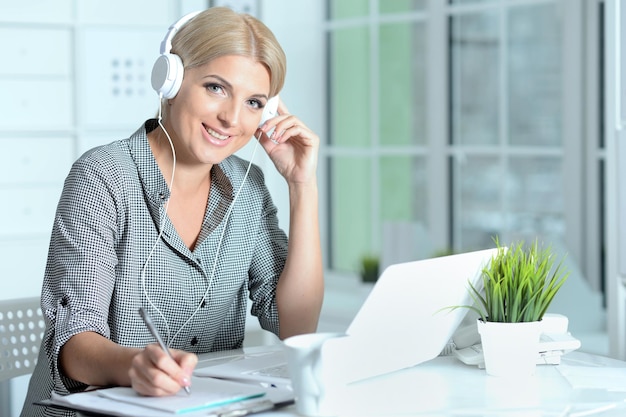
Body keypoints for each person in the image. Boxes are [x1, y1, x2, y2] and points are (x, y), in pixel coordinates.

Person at [21, 7, 323, 417]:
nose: (231, 118)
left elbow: (296, 329)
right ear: (171, 80)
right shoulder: (102, 178)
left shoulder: (248, 189)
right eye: (216, 88)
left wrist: (301, 186)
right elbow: (73, 344)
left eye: (253, 102)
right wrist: (134, 368)